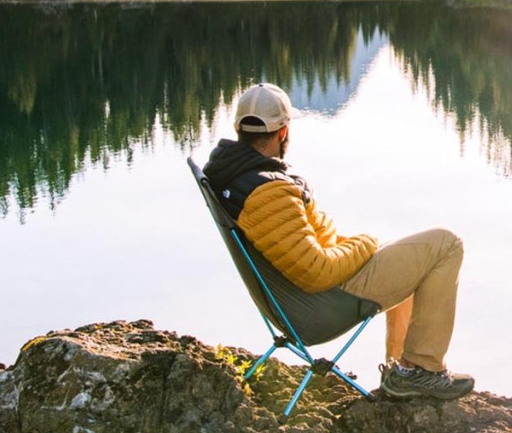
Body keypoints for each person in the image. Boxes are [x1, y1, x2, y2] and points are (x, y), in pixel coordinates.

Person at [203, 83, 474, 400]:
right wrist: (365, 244)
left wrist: (361, 248)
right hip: (318, 308)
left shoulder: (238, 176)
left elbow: (305, 249)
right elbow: (316, 271)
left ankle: (403, 372)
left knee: (411, 254)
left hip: (298, 299)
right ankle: (421, 371)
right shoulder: (268, 193)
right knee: (446, 245)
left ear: (239, 129)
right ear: (283, 132)